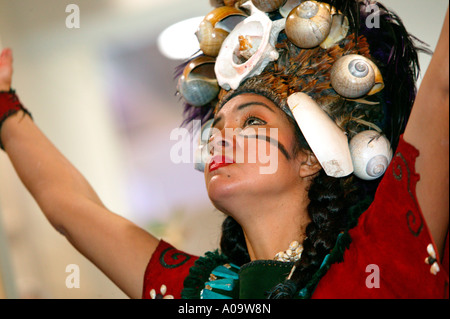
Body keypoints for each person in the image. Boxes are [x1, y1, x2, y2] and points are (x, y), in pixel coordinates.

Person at [0, 0, 448, 299]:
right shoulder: (201, 294)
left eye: (252, 121)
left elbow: (442, 90)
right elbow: (70, 209)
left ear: (311, 157)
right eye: (217, 126)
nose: (220, 137)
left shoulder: (382, 253)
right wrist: (5, 108)